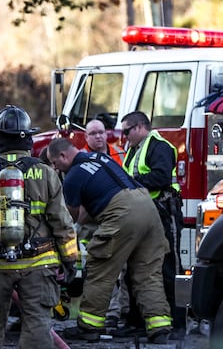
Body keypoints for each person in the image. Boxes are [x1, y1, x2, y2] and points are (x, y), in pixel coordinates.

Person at [0, 105, 78, 349]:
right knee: (37, 323)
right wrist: (70, 261)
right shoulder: (45, 173)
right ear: (29, 138)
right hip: (38, 264)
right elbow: (62, 223)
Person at [46, 137, 173, 343]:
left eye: (54, 163)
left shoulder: (73, 176)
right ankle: (159, 328)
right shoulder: (100, 157)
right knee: (148, 273)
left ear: (63, 155)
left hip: (123, 212)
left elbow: (70, 218)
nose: (54, 168)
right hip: (148, 207)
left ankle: (89, 326)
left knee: (100, 269)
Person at [120, 111, 186, 339]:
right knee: (135, 266)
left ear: (140, 127)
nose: (124, 136)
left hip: (165, 212)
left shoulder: (159, 146)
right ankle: (137, 322)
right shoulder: (134, 150)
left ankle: (178, 324)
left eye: (127, 131)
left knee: (169, 268)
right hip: (142, 213)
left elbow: (161, 178)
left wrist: (129, 183)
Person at [83, 118, 130, 330]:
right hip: (93, 221)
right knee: (100, 267)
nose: (99, 136)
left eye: (101, 132)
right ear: (86, 137)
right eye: (93, 133)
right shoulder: (81, 158)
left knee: (124, 267)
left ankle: (121, 311)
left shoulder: (119, 153)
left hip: (120, 217)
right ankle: (106, 313)